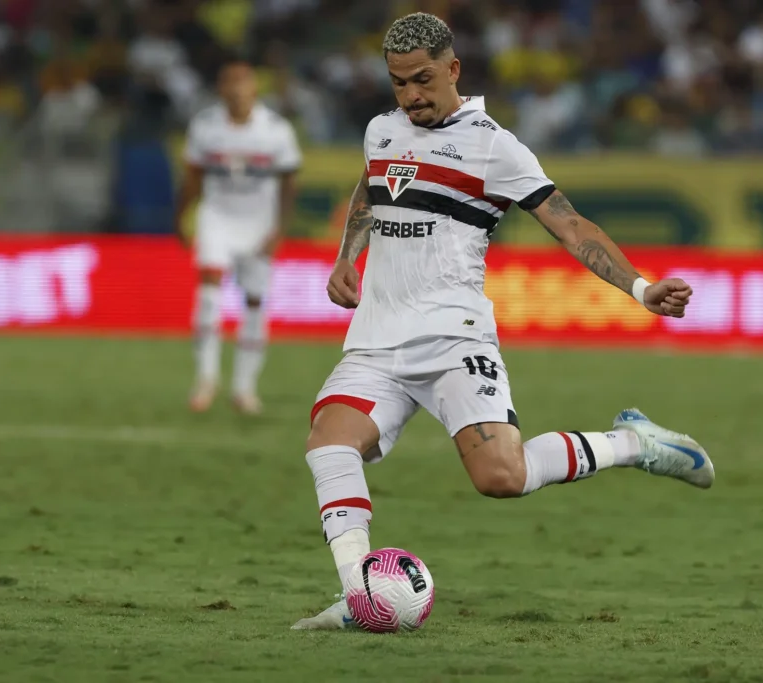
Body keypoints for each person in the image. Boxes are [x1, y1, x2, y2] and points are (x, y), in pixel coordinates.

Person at [292, 13, 714, 630]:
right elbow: (371, 188)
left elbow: (570, 225)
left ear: (454, 69)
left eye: (423, 79)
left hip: (452, 338)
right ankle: (362, 595)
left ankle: (634, 444)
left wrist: (641, 288)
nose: (411, 95)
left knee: (502, 478)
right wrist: (346, 256)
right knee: (329, 445)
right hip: (378, 339)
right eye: (399, 83)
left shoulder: (494, 146)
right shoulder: (382, 130)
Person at [176, 60, 301, 415]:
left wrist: (280, 227)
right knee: (208, 289)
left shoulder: (275, 129)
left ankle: (245, 387)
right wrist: (180, 215)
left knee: (255, 302)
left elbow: (289, 181)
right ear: (220, 89)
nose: (235, 90)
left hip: (259, 221)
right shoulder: (205, 126)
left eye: (241, 82)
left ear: (254, 88)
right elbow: (193, 176)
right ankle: (206, 378)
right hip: (217, 215)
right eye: (228, 82)